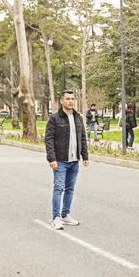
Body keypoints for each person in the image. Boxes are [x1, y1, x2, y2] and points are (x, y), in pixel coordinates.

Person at [44, 90, 89, 230]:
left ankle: (65, 214)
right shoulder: (55, 118)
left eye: (72, 99)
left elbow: (82, 138)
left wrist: (85, 156)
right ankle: (56, 218)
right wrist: (52, 159)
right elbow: (49, 139)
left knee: (70, 189)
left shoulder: (78, 117)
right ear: (61, 101)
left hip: (74, 160)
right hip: (60, 160)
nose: (70, 101)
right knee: (58, 188)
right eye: (68, 99)